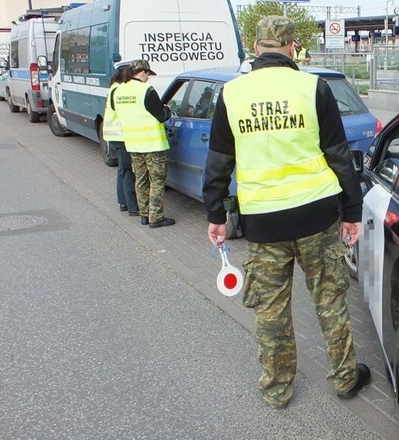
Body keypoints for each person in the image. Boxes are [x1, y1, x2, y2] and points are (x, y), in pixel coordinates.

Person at [202, 16, 369, 409]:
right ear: (293, 48)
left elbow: (219, 162)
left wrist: (215, 216)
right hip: (318, 217)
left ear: (256, 48)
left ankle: (277, 389)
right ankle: (345, 379)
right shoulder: (314, 88)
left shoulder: (233, 93)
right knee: (330, 300)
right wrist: (353, 210)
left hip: (264, 225)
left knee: (270, 309)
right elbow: (339, 157)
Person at [114, 59, 175, 228]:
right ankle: (156, 217)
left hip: (133, 144)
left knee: (140, 179)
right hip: (152, 144)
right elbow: (161, 115)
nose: (149, 78)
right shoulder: (145, 89)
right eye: (148, 74)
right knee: (157, 180)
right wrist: (167, 109)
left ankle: (144, 214)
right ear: (142, 72)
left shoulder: (119, 90)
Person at [103, 61, 138, 217]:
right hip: (122, 135)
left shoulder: (113, 88)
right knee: (127, 171)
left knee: (122, 170)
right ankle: (132, 206)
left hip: (115, 135)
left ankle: (123, 202)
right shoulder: (120, 90)